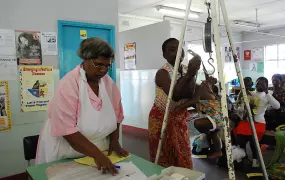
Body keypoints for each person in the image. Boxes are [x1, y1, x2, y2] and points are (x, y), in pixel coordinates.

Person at [36, 38, 128, 175]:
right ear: (85, 59)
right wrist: (97, 155)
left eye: (107, 66)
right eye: (98, 65)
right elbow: (68, 131)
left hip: (97, 152)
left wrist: (114, 141)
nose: (103, 70)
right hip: (66, 151)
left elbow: (117, 115)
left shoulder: (108, 84)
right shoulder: (68, 85)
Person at [148, 38, 201, 169]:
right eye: (172, 50)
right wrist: (189, 75)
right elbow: (175, 95)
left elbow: (190, 93)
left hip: (179, 117)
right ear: (164, 55)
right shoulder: (162, 73)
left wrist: (193, 78)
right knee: (162, 154)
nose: (177, 53)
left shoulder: (185, 69)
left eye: (179, 49)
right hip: (161, 118)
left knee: (182, 152)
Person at [235, 77, 280, 167]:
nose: (260, 85)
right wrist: (244, 107)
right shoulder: (249, 93)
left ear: (266, 86)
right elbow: (240, 108)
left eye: (262, 84)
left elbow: (277, 106)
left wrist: (267, 92)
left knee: (254, 140)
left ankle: (255, 160)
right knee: (240, 136)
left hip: (259, 122)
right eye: (258, 83)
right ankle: (243, 157)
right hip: (247, 121)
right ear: (255, 84)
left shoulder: (268, 95)